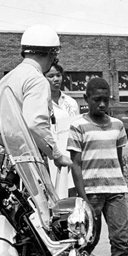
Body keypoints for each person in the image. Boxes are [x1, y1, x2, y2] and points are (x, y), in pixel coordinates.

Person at [67, 77, 128, 256]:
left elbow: (118, 159)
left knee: (121, 241)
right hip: (92, 194)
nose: (102, 104)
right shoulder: (78, 126)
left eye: (106, 100)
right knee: (89, 239)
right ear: (86, 99)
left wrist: (120, 182)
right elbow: (75, 165)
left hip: (115, 192)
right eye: (97, 99)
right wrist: (83, 197)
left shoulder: (117, 125)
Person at [0, 24, 72, 169]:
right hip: (28, 159)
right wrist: (56, 155)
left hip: (6, 158)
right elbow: (35, 124)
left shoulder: (6, 79)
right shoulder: (37, 80)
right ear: (52, 55)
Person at [44, 63, 80, 197]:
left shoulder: (71, 103)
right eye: (51, 76)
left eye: (58, 75)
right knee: (53, 190)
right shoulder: (41, 102)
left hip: (69, 150)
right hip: (51, 153)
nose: (56, 79)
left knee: (71, 188)